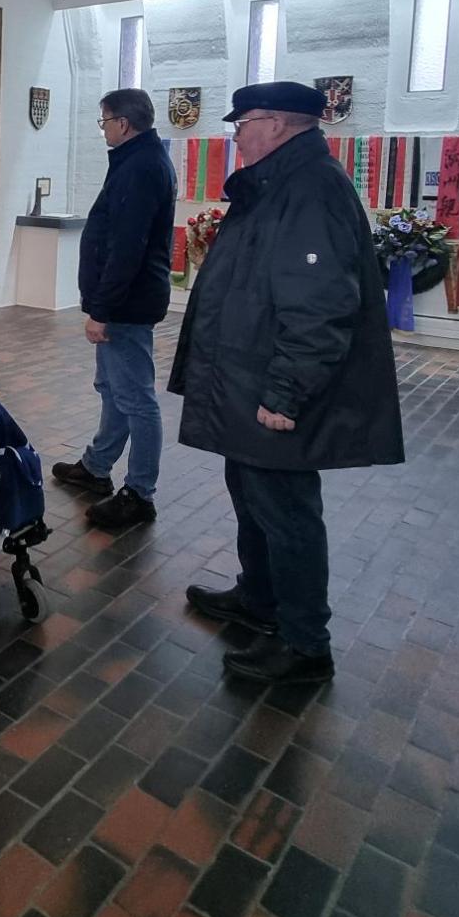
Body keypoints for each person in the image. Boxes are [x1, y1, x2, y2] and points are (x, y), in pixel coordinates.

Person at [169, 82, 404, 684]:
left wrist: (286, 392)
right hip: (247, 376)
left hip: (272, 386)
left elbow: (320, 303)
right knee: (252, 493)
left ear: (275, 123)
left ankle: (305, 644)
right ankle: (260, 599)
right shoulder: (276, 184)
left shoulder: (310, 188)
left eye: (242, 124)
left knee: (286, 511)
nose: (236, 136)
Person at [51, 88, 177, 530]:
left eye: (104, 121)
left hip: (127, 304)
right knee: (114, 389)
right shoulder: (137, 160)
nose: (103, 129)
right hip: (124, 301)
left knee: (137, 399)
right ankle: (97, 466)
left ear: (123, 123)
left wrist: (101, 309)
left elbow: (127, 247)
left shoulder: (141, 167)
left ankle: (139, 493)